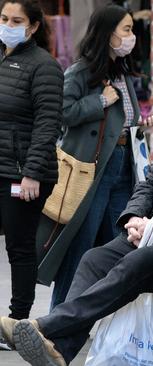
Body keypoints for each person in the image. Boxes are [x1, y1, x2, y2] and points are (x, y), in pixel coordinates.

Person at [0, 58, 153, 366]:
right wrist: (133, 218)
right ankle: (61, 349)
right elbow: (148, 183)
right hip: (150, 232)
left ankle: (46, 327)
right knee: (93, 259)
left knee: (134, 263)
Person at [40, 4, 153, 309]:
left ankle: (109, 319)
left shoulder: (121, 71)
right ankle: (59, 319)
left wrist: (142, 123)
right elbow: (62, 112)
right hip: (90, 170)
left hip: (123, 165)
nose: (132, 36)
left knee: (119, 243)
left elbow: (119, 120)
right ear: (108, 34)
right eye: (126, 29)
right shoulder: (81, 71)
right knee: (80, 245)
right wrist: (99, 100)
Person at [0, 0, 63, 320]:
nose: (8, 26)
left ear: (34, 26)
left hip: (23, 174)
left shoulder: (44, 66)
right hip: (3, 166)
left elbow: (47, 123)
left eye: (16, 20)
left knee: (19, 246)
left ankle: (17, 320)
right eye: (3, 18)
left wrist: (33, 174)